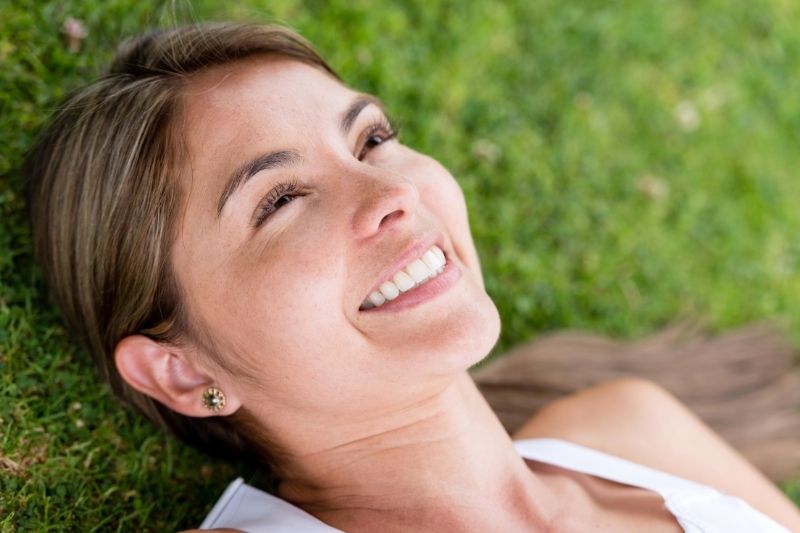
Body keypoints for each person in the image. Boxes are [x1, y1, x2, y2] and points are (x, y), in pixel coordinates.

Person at [24, 22, 800, 532]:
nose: (394, 194)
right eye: (282, 198)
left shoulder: (633, 429)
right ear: (182, 369)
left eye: (370, 140)